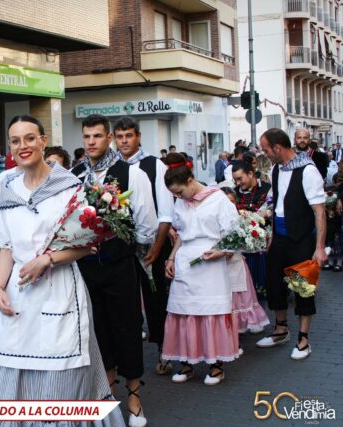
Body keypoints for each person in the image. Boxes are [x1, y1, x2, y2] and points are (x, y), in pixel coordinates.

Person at [0, 115, 126, 427]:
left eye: (30, 138)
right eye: (15, 141)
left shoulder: (70, 187)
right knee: (10, 374)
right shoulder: (6, 190)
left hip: (59, 290)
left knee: (60, 375)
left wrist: (48, 259)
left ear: (44, 141)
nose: (23, 146)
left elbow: (88, 245)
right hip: (18, 296)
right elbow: (6, 247)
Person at [72, 114, 157, 427]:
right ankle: (106, 396)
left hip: (119, 264)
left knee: (127, 328)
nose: (91, 142)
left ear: (108, 137)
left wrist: (117, 233)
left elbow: (146, 226)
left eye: (97, 136)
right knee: (95, 330)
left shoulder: (131, 173)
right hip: (85, 266)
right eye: (86, 137)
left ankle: (134, 395)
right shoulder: (75, 174)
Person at [162, 153, 240, 386]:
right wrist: (171, 258)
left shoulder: (218, 199)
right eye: (174, 194)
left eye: (179, 191)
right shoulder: (181, 201)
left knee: (210, 314)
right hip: (187, 261)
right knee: (184, 313)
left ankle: (216, 366)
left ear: (190, 180)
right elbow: (181, 235)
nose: (177, 197)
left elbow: (235, 234)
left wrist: (222, 252)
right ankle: (186, 363)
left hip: (212, 264)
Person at [257, 128, 327, 360]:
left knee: (302, 289)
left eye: (266, 150)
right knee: (274, 285)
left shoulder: (307, 170)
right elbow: (277, 204)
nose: (265, 154)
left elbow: (319, 212)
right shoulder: (277, 169)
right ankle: (280, 330)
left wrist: (319, 248)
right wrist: (271, 236)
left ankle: (303, 340)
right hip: (279, 238)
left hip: (301, 240)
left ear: (278, 148)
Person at [113, 116, 175, 376]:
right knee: (126, 303)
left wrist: (157, 249)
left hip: (152, 246)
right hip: (122, 248)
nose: (124, 141)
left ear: (138, 137)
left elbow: (165, 212)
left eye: (129, 136)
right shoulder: (113, 167)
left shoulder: (155, 165)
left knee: (156, 299)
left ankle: (164, 350)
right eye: (120, 136)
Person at [220, 187, 270, 336]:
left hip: (237, 263)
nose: (229, 205)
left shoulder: (241, 219)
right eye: (225, 202)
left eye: (232, 202)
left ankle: (245, 322)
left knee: (242, 298)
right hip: (221, 266)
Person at [232, 161, 272, 298]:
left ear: (250, 174)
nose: (237, 183)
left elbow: (271, 211)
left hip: (264, 241)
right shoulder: (234, 192)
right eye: (235, 180)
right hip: (243, 243)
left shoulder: (267, 189)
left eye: (239, 178)